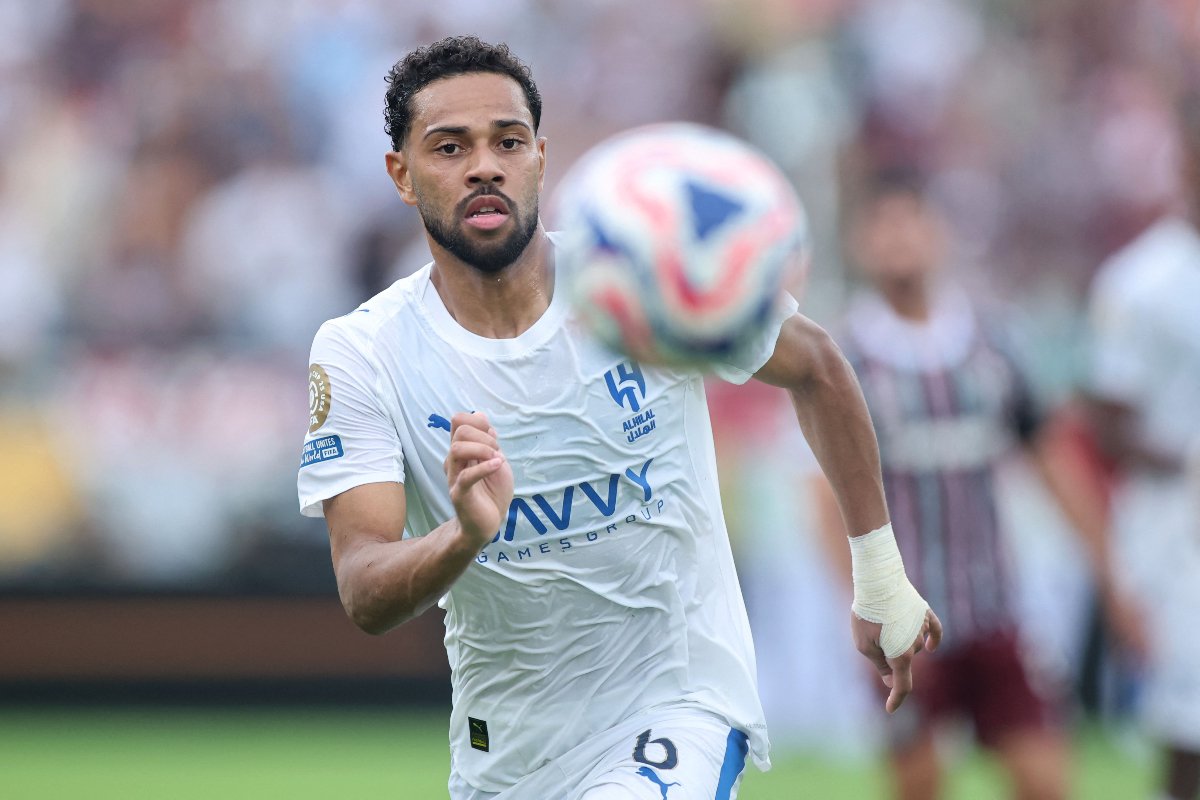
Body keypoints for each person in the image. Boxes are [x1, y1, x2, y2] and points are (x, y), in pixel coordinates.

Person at [296, 36, 939, 800]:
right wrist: (462, 536)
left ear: (539, 155)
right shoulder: (364, 350)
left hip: (679, 704)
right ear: (401, 175)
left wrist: (880, 578)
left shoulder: (643, 283)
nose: (484, 166)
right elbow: (364, 588)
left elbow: (820, 368)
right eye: (449, 147)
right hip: (505, 752)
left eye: (507, 142)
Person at [811, 169, 1145, 800]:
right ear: (860, 241)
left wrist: (1111, 577)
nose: (899, 239)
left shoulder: (994, 342)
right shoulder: (843, 356)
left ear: (938, 233)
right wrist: (859, 601)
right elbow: (820, 497)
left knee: (1045, 781)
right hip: (905, 617)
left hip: (995, 607)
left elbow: (1054, 463)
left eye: (911, 220)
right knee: (920, 785)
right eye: (882, 225)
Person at [1085, 95, 1200, 800]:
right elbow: (1108, 423)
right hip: (1175, 530)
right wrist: (1189, 457)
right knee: (1191, 724)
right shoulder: (1142, 279)